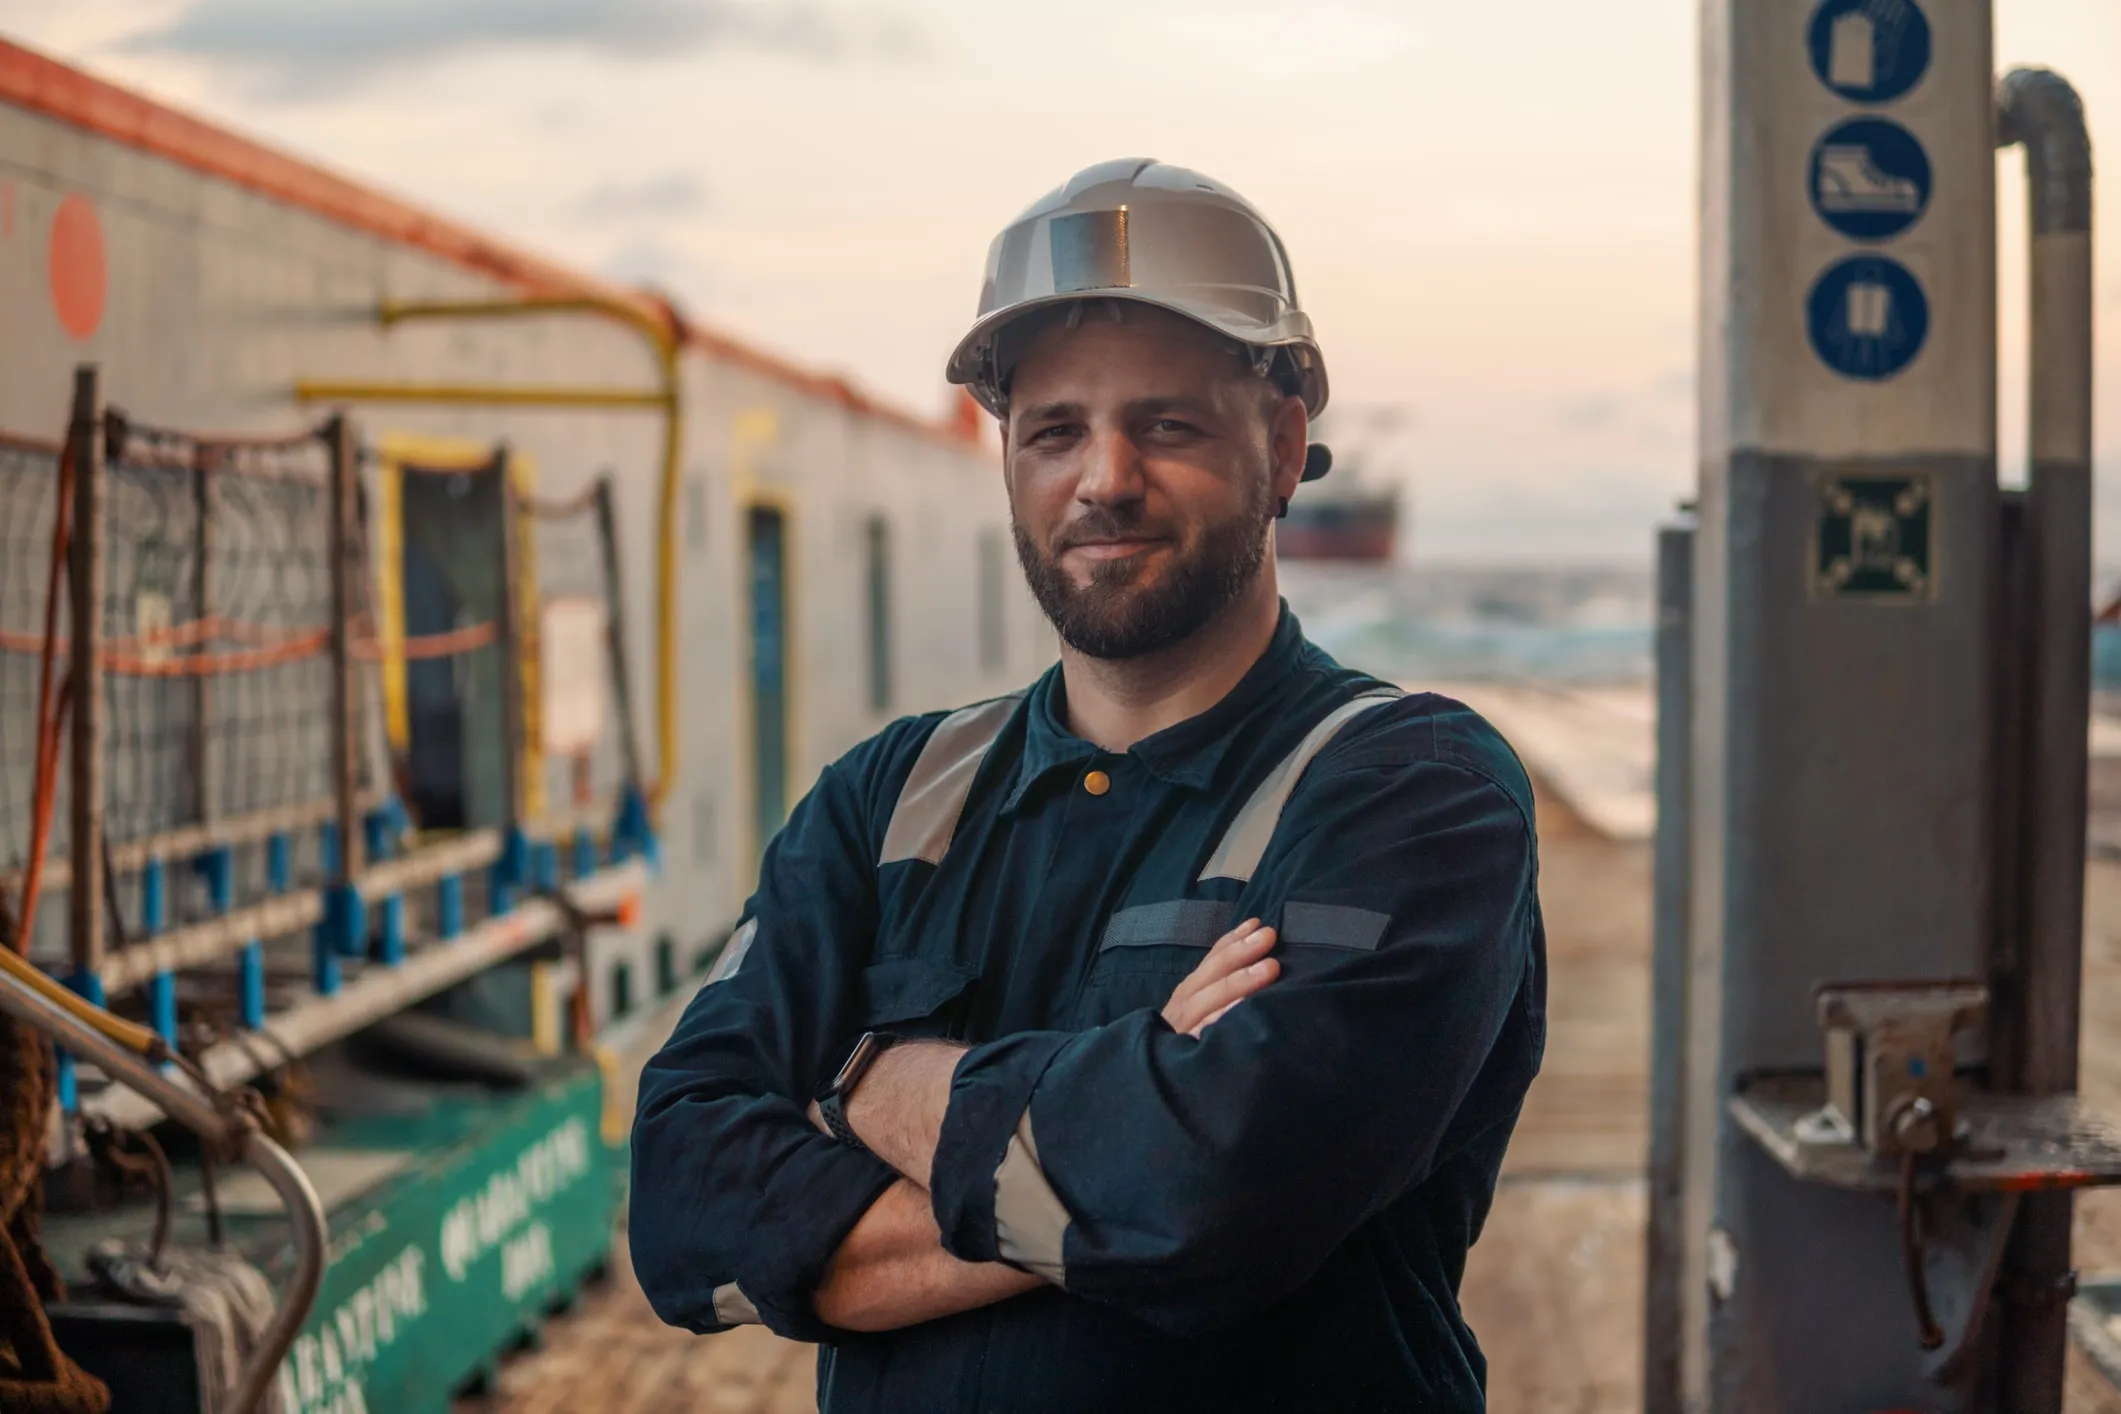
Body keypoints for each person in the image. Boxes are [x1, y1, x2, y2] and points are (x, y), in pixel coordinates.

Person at [631, 158, 1546, 1413]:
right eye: (1055, 430)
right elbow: (683, 1205)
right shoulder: (891, 797)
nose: (1104, 478)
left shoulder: (1413, 796)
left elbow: (1206, 1199)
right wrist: (1118, 1111)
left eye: (1166, 424)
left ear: (1282, 446)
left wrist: (854, 1077)